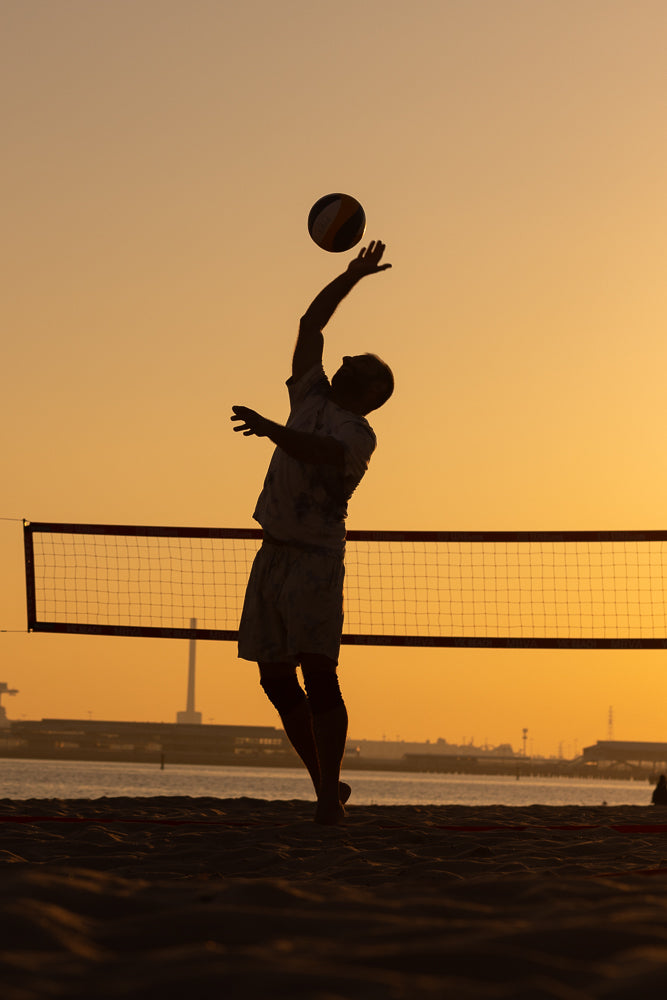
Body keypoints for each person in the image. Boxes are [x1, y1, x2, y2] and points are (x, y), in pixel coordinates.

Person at [231, 240, 394, 824]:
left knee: (319, 673)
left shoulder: (356, 433)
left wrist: (273, 430)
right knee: (275, 681)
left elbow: (319, 452)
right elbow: (311, 323)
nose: (345, 358)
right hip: (272, 554)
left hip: (314, 562)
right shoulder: (309, 393)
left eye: (360, 363)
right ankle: (327, 784)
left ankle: (328, 797)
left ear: (372, 391)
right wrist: (351, 274)